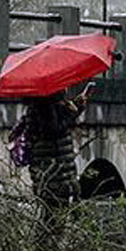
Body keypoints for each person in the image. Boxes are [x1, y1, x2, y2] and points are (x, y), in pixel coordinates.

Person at [21, 87, 87, 218]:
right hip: (54, 174)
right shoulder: (44, 104)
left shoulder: (47, 103)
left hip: (57, 173)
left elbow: (58, 123)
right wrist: (74, 111)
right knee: (54, 218)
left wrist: (75, 105)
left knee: (55, 218)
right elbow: (54, 128)